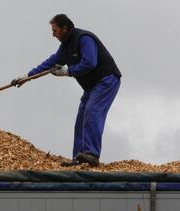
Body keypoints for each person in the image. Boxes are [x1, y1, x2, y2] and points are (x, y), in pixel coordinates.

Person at [11, 14, 121, 167]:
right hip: (91, 86)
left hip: (106, 80)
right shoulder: (66, 46)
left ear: (65, 28)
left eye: (55, 31)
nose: (53, 34)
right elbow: (51, 62)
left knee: (92, 111)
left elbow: (90, 62)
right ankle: (79, 158)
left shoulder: (84, 38)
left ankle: (91, 154)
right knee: (81, 119)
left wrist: (67, 71)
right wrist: (27, 76)